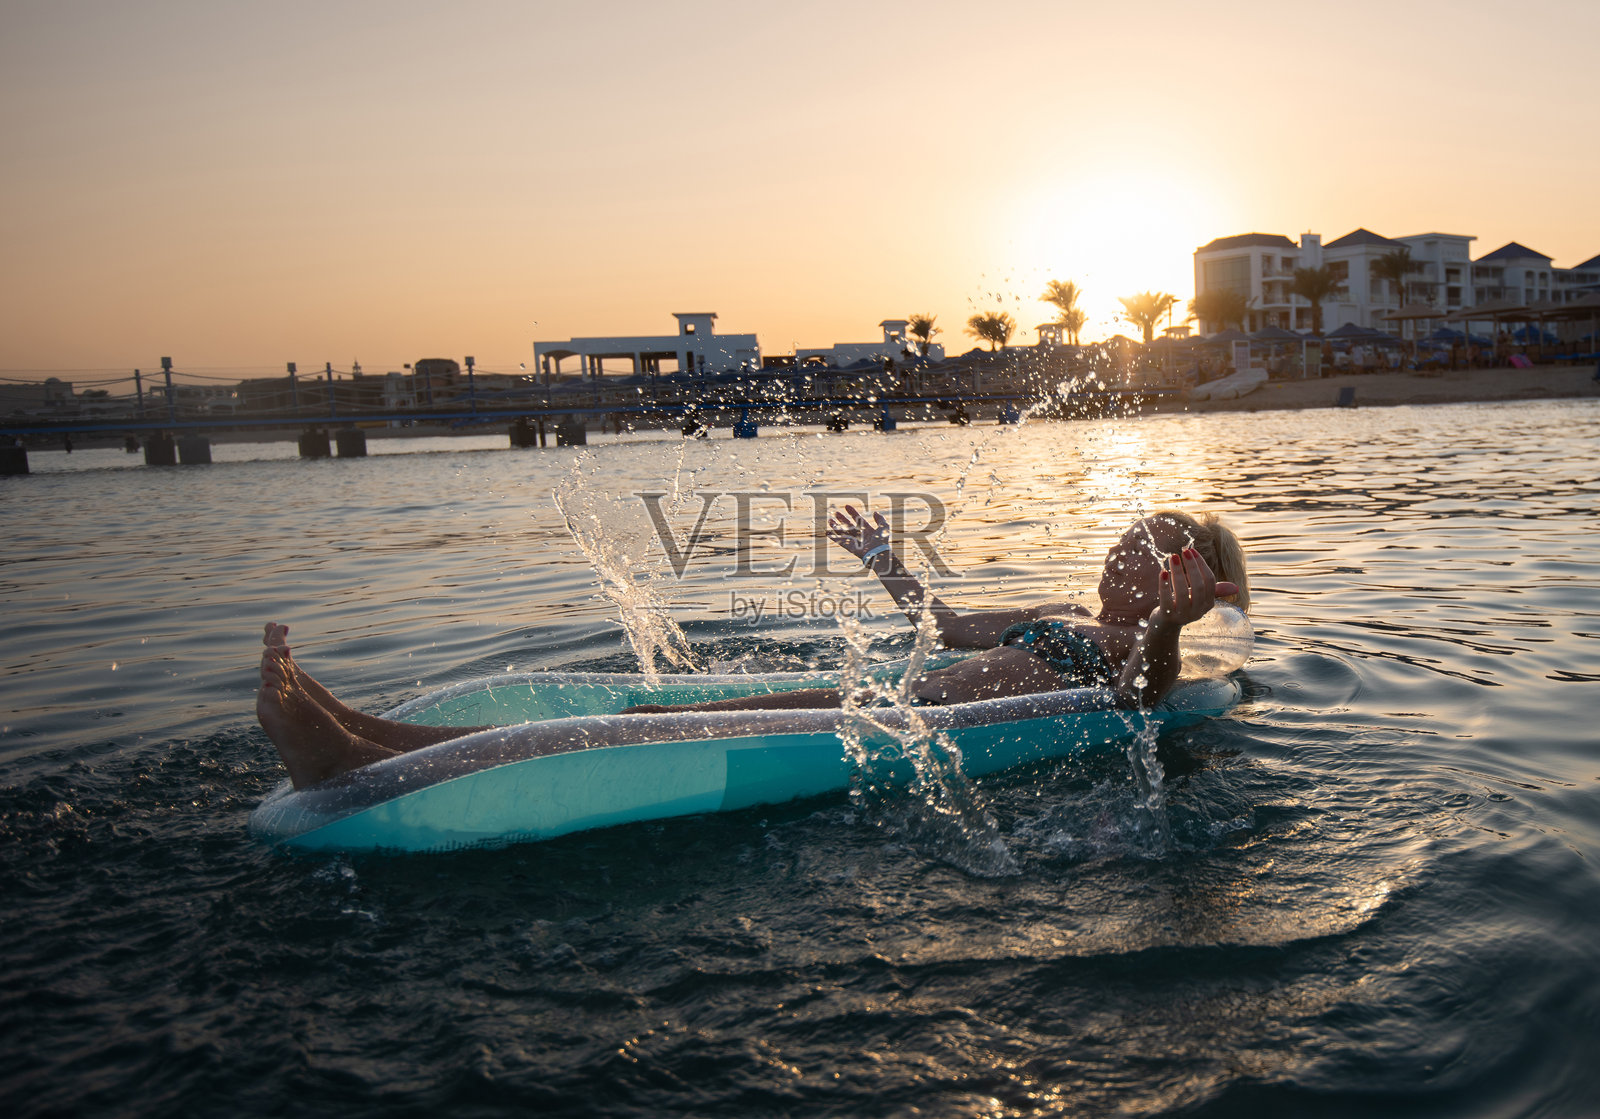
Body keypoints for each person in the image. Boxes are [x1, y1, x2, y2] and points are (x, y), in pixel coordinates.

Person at [256, 509, 1246, 789]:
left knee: (643, 730)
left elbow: (1143, 691)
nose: (1130, 540)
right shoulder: (1061, 614)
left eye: (1157, 542)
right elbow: (943, 627)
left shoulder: (1133, 652)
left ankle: (347, 759)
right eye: (1135, 528)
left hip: (905, 726)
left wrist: (1177, 615)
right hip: (879, 705)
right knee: (646, 718)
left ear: (1182, 583)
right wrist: (884, 563)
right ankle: (361, 733)